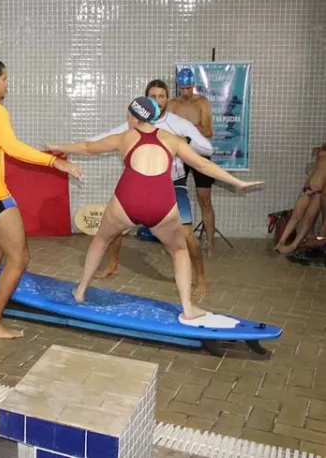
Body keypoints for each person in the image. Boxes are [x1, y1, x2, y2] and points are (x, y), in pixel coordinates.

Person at [51, 97, 263, 321]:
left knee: (102, 239)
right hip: (161, 203)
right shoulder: (172, 140)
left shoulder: (125, 137)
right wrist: (237, 182)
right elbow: (203, 164)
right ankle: (188, 308)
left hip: (127, 201)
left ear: (133, 116)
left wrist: (59, 147)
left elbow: (87, 147)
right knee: (179, 250)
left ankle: (81, 291)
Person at [0, 58, 83, 340]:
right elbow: (12, 147)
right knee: (19, 258)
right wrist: (54, 162)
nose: (7, 84)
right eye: (5, 79)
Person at [78, 79, 213, 293]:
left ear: (167, 98)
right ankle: (113, 264)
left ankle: (201, 278)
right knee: (116, 228)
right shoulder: (134, 123)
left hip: (172, 185)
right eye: (153, 97)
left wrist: (184, 141)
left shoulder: (178, 123)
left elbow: (207, 149)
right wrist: (77, 145)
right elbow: (103, 139)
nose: (158, 101)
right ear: (145, 99)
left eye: (161, 96)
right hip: (141, 184)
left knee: (186, 234)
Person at [168, 68, 217, 257]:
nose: (186, 92)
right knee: (174, 199)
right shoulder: (172, 104)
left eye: (188, 88)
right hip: (180, 154)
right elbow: (168, 130)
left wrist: (185, 130)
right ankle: (175, 243)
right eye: (182, 88)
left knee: (205, 200)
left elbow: (208, 131)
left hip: (200, 154)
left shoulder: (201, 102)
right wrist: (189, 130)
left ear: (193, 85)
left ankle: (210, 244)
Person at [275, 144, 326, 254]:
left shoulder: (321, 152)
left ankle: (293, 246)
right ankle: (281, 242)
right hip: (310, 188)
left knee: (306, 220)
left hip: (317, 192)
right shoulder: (321, 151)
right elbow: (315, 161)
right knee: (296, 217)